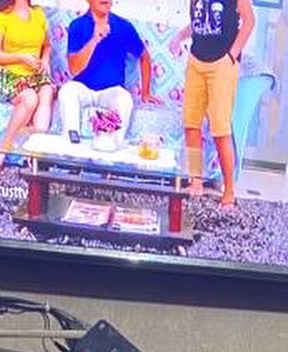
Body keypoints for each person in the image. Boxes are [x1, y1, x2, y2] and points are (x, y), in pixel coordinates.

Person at [170, 0, 254, 207]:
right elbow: (200, 24)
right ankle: (196, 181)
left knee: (220, 130)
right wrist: (179, 37)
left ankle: (229, 190)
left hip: (222, 64)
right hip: (196, 61)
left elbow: (249, 21)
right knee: (191, 124)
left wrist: (231, 56)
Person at [58, 0, 159, 143]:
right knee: (67, 91)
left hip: (112, 90)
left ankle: (114, 145)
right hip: (83, 88)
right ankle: (72, 143)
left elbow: (144, 56)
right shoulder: (77, 26)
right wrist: (94, 40)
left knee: (125, 100)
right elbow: (74, 69)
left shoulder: (124, 27)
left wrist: (146, 92)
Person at [0, 0, 56, 172]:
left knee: (47, 91)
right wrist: (21, 57)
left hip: (34, 74)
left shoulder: (38, 14)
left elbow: (47, 45)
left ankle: (35, 154)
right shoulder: (1, 17)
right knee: (30, 98)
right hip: (8, 74)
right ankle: (2, 148)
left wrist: (45, 59)